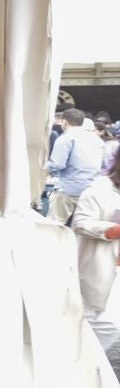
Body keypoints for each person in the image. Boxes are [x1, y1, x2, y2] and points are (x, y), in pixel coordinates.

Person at [69, 153, 120, 357]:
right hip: (101, 268)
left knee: (110, 325)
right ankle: (79, 362)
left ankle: (86, 361)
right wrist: (112, 229)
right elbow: (81, 222)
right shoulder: (99, 190)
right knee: (94, 320)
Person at [48, 108, 106, 223]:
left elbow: (57, 165)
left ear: (64, 121)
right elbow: (104, 166)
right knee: (80, 229)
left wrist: (40, 167)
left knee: (55, 227)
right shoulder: (97, 140)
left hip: (67, 190)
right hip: (90, 191)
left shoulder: (65, 138)